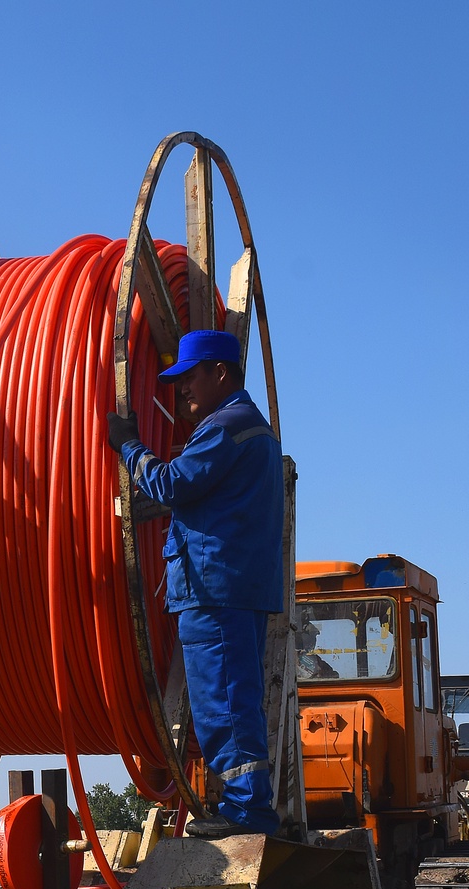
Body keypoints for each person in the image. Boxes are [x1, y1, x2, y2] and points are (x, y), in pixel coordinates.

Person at [107, 329, 283, 837]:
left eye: (190, 377)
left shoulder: (226, 427)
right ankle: (247, 807)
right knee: (233, 701)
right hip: (235, 588)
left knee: (223, 704)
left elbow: (170, 484)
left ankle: (248, 813)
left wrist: (129, 446)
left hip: (215, 590)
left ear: (221, 373)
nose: (181, 390)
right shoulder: (256, 430)